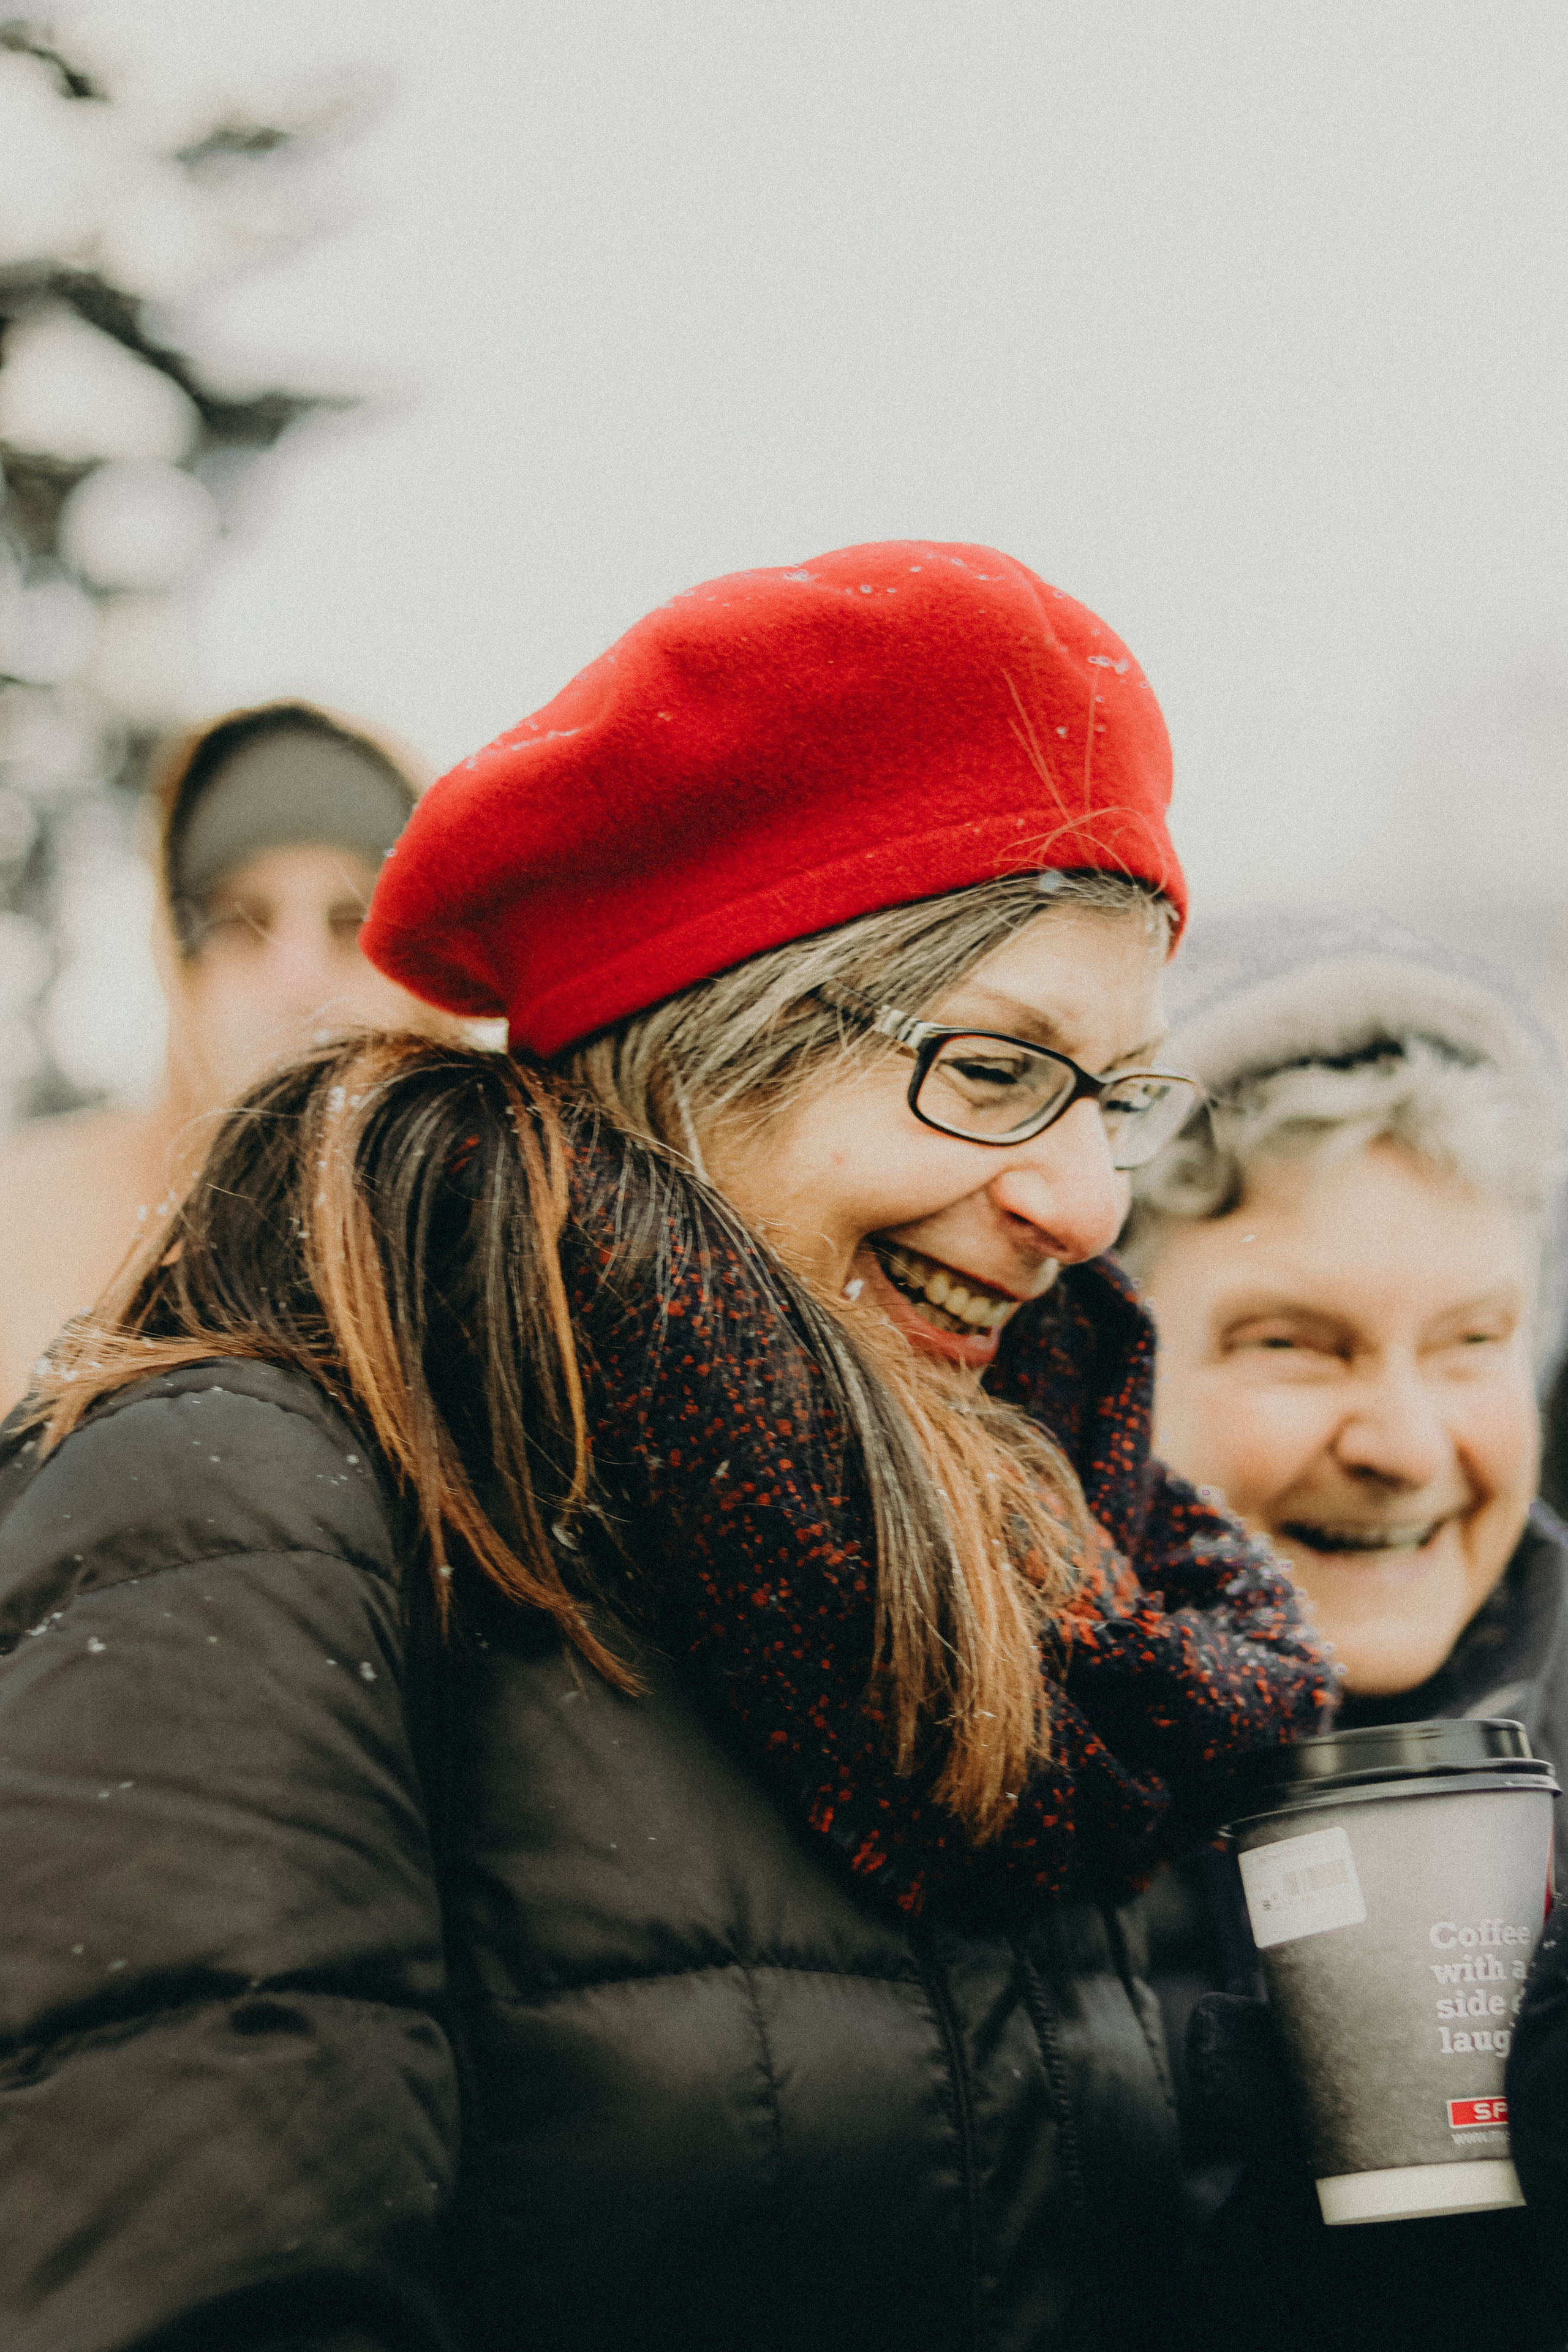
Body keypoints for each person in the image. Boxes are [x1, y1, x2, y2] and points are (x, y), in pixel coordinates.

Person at [0, 542, 1333, 2352]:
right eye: (997, 1067)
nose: (1084, 1203)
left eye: (1113, 1092)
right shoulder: (250, 1509)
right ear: (704, 1039)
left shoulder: (1050, 1557)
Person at [1117, 925, 1568, 2349]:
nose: (1400, 1440)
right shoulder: (952, 1787)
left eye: (1468, 1341)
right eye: (1293, 1343)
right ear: (1097, 1372)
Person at [0, 699, 445, 1409]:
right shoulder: (22, 1237)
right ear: (181, 967)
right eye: (244, 921)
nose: (298, 982)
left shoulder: (512, 1253)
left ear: (427, 971)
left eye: (351, 921)